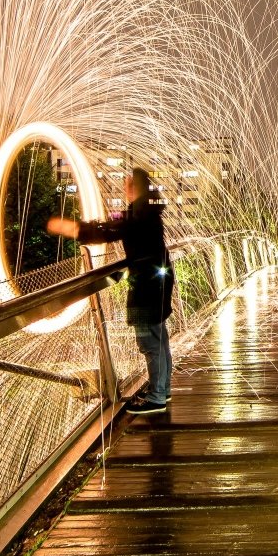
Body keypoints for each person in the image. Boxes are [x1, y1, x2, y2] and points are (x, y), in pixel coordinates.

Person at [47, 167, 175, 415]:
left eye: (128, 185)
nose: (124, 189)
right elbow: (115, 226)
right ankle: (163, 389)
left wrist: (73, 229)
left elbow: (108, 231)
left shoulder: (139, 216)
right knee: (159, 340)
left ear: (136, 188)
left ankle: (157, 397)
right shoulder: (147, 213)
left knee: (150, 343)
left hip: (146, 289)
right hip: (158, 285)